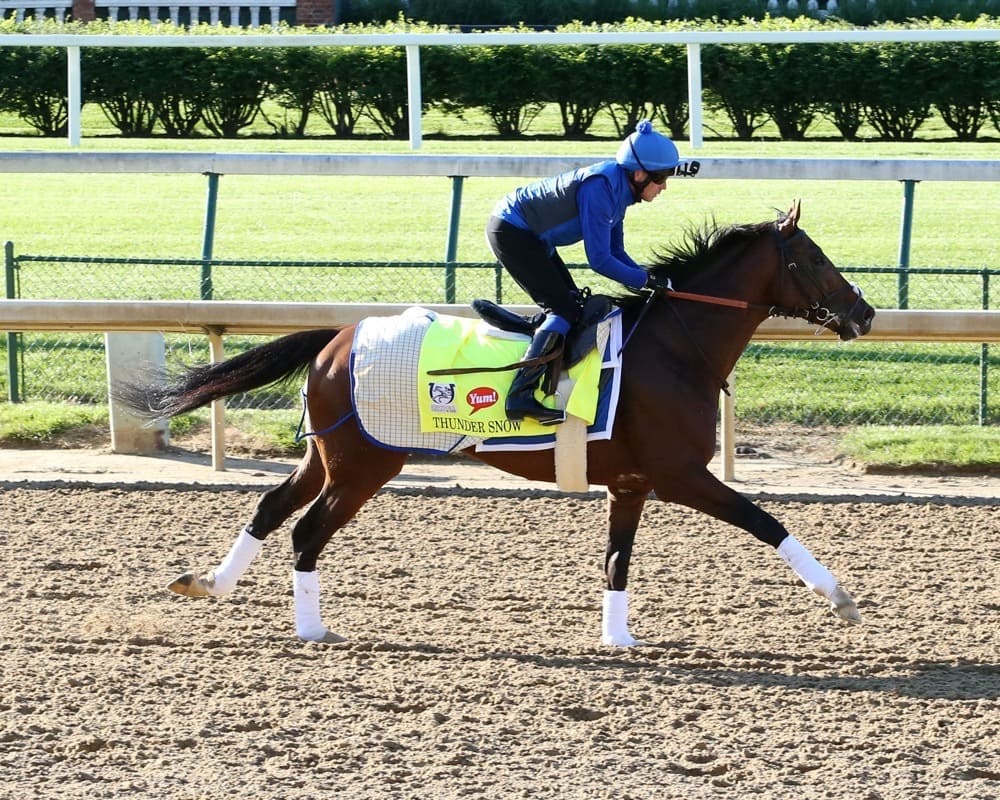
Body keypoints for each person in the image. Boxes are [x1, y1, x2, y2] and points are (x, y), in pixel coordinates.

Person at [486, 119, 681, 425]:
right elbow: (600, 260)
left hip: (534, 237)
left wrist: (649, 278)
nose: (665, 187)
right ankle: (519, 395)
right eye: (661, 178)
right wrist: (645, 281)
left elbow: (617, 252)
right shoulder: (601, 188)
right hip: (512, 231)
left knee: (572, 305)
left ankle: (538, 337)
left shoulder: (621, 191)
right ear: (640, 174)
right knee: (562, 308)